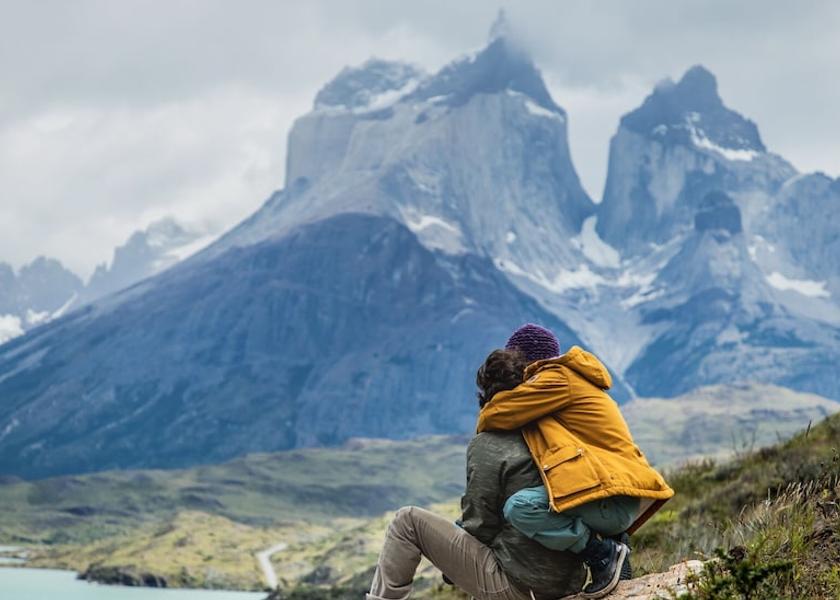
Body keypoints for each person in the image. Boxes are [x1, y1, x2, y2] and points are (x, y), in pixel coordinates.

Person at [367, 350, 587, 600]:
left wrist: (451, 564)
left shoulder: (490, 442)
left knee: (406, 521)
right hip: (569, 580)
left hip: (522, 585)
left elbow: (479, 524)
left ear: (486, 393)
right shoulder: (553, 431)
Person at [479, 324, 675, 598]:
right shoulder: (567, 381)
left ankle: (603, 553)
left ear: (526, 362)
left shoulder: (556, 379)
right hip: (614, 495)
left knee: (520, 507)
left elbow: (497, 414)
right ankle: (610, 543)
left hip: (612, 500)